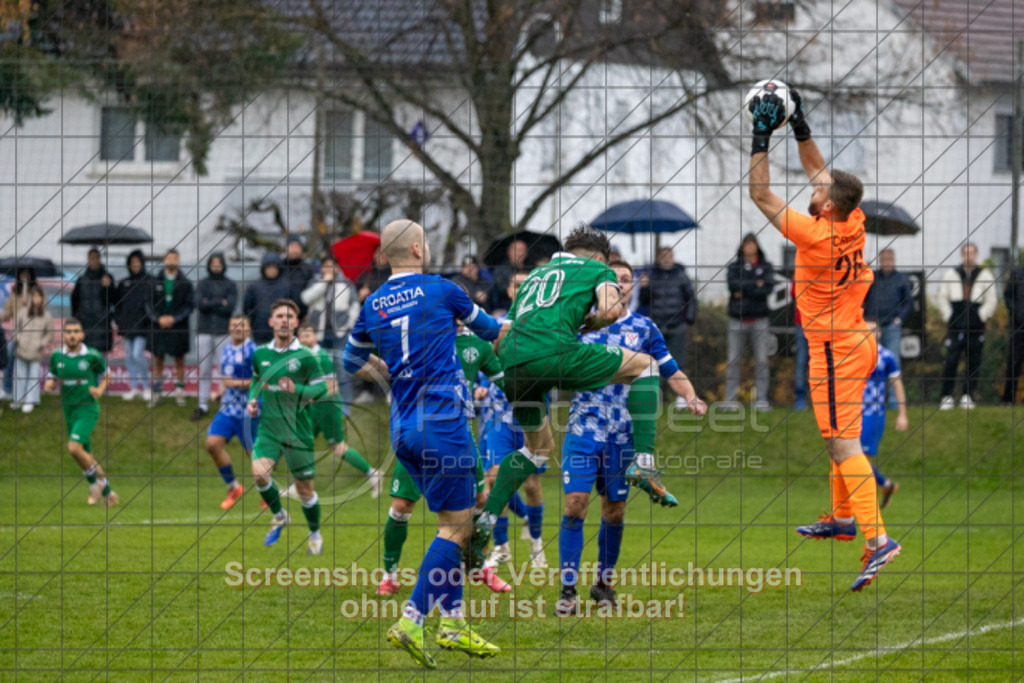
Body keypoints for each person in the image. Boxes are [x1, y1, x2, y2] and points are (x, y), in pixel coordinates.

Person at [475, 225, 709, 567]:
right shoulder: (597, 269)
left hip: (511, 363)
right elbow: (611, 311)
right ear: (601, 258)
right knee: (645, 367)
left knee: (537, 449)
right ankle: (643, 462)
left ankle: (487, 518)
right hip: (552, 353)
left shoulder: (537, 276)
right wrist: (591, 324)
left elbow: (501, 333)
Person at [747, 83, 901, 591]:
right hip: (854, 341)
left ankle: (878, 540)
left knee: (842, 443)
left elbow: (759, 194)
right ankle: (841, 517)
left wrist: (760, 134)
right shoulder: (853, 218)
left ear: (828, 208)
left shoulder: (817, 232)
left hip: (836, 349)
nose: (812, 190)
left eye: (817, 194)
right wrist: (800, 122)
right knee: (839, 440)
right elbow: (822, 173)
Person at [344, 219, 503, 667]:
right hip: (444, 423)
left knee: (456, 521)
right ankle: (412, 619)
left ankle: (453, 623)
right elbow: (491, 332)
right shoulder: (443, 289)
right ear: (417, 248)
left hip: (404, 428)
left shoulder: (373, 303)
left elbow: (350, 357)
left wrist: (387, 370)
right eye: (427, 243)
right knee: (456, 529)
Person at [557, 260, 705, 616]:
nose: (621, 285)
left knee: (615, 510)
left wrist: (690, 395)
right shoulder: (582, 323)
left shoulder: (644, 328)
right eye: (614, 280)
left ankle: (604, 583)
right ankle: (567, 589)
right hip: (583, 428)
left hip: (623, 435)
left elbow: (669, 368)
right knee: (575, 503)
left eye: (627, 280)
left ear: (633, 286)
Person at [377, 321, 509, 597]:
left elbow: (503, 380)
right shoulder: (419, 341)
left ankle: (478, 565)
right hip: (420, 431)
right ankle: (389, 575)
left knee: (480, 500)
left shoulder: (478, 346)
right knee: (402, 505)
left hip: (460, 434)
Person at [247, 299, 331, 555]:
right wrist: (252, 398)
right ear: (271, 322)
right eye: (280, 315)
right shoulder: (260, 353)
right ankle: (280, 514)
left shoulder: (305, 357)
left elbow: (322, 390)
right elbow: (256, 379)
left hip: (298, 431)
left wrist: (298, 389)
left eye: (289, 316)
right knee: (259, 474)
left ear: (296, 323)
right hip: (269, 429)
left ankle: (315, 534)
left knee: (305, 491)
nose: (285, 319)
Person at [478, 271, 546, 573]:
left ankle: (536, 542)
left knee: (531, 484)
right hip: (496, 413)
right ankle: (501, 547)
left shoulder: (545, 325)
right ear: (508, 290)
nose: (521, 290)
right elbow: (480, 359)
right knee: (494, 479)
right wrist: (477, 386)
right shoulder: (496, 325)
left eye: (526, 285)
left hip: (529, 411)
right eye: (517, 285)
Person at [295, 322, 382, 496]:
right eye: (301, 336)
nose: (304, 339)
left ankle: (372, 473)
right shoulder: (304, 358)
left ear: (315, 337)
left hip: (327, 408)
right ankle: (300, 484)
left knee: (337, 447)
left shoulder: (320, 357)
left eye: (308, 335)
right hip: (315, 408)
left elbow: (332, 387)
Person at [44, 318, 119, 506]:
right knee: (83, 453)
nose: (72, 335)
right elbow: (52, 377)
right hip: (69, 409)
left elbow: (107, 374)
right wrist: (50, 384)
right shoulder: (56, 356)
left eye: (76, 331)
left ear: (82, 335)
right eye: (68, 331)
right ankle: (108, 493)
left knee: (74, 447)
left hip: (87, 408)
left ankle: (98, 483)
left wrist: (100, 390)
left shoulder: (91, 356)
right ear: (63, 335)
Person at [204, 315, 258, 510]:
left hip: (248, 411)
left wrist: (233, 383)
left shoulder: (255, 352)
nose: (237, 328)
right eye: (234, 325)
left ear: (249, 329)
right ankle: (233, 487)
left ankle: (267, 493)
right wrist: (220, 392)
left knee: (255, 456)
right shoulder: (226, 349)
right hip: (227, 409)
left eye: (242, 325)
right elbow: (227, 379)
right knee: (212, 444)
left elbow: (261, 381)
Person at [936, 243, 998, 410]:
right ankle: (947, 396)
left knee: (973, 361)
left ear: (976, 255)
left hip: (976, 325)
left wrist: (981, 315)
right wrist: (949, 315)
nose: (968, 256)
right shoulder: (952, 274)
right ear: (961, 255)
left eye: (971, 253)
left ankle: (968, 395)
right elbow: (942, 297)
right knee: (951, 360)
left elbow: (991, 300)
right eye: (965, 253)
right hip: (956, 325)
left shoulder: (985, 275)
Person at [300, 256, 360, 408]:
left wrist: (348, 325)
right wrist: (324, 282)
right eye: (325, 266)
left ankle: (344, 405)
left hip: (339, 333)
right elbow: (306, 299)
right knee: (320, 369)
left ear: (337, 268)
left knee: (342, 369)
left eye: (331, 266)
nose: (328, 269)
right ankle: (322, 403)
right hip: (318, 334)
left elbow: (354, 305)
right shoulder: (316, 282)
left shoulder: (346, 283)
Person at [860, 322, 908, 511]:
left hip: (874, 414)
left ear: (879, 334)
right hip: (854, 412)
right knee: (851, 457)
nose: (869, 334)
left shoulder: (886, 357)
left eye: (872, 331)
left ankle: (867, 498)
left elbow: (897, 384)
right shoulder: (856, 355)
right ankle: (884, 485)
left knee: (859, 457)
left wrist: (902, 414)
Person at [725, 233, 776, 410]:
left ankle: (761, 400)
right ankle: (730, 401)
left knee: (761, 361)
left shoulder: (766, 266)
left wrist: (745, 289)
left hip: (760, 320)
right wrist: (755, 284)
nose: (749, 247)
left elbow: (767, 289)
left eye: (752, 244)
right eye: (746, 244)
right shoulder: (734, 267)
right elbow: (733, 286)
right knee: (733, 361)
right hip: (737, 320)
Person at [147, 249, 194, 407]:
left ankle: (179, 392)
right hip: (159, 326)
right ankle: (157, 393)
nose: (172, 261)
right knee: (158, 359)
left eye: (175, 258)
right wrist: (157, 318)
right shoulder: (154, 281)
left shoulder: (185, 283)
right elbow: (148, 304)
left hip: (178, 327)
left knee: (179, 360)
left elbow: (189, 306)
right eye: (169, 258)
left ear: (178, 260)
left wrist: (175, 318)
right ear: (165, 260)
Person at [193, 253, 237, 421]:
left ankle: (224, 405)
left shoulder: (230, 284)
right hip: (203, 332)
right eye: (213, 263)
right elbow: (200, 305)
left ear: (224, 265)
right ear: (209, 265)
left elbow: (230, 308)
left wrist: (209, 302)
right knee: (204, 370)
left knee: (223, 371)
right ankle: (202, 405)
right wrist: (219, 301)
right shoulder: (203, 283)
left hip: (223, 333)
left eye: (219, 263)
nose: (216, 266)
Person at [638, 246, 696, 374]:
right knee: (655, 364)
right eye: (663, 256)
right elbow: (643, 301)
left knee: (678, 364)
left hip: (677, 326)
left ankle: (679, 394)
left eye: (669, 256)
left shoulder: (681, 275)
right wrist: (644, 287)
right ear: (658, 258)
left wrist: (689, 319)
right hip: (657, 327)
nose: (667, 259)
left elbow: (691, 298)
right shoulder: (651, 276)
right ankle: (658, 392)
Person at [114, 250, 152, 401]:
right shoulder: (124, 283)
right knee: (129, 356)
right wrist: (119, 320)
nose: (135, 265)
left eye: (138, 262)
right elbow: (117, 305)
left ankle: (147, 387)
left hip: (142, 327)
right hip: (127, 327)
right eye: (132, 262)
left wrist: (148, 321)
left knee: (138, 354)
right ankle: (134, 387)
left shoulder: (149, 281)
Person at [863, 248, 913, 364]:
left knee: (893, 360)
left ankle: (893, 383)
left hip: (892, 325)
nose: (887, 261)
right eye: (884, 259)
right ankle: (874, 383)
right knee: (872, 360)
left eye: (890, 259)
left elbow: (908, 302)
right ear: (880, 260)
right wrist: (864, 272)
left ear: (894, 260)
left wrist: (899, 318)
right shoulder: (871, 276)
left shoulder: (902, 278)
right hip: (873, 325)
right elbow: (861, 295)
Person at [10, 285, 53, 413]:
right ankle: (18, 399)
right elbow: (15, 328)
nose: (36, 299)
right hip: (21, 349)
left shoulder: (47, 316)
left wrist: (41, 342)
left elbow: (49, 333)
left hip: (36, 351)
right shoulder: (22, 312)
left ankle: (30, 401)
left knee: (33, 376)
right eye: (34, 296)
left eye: (39, 296)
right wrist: (19, 339)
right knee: (19, 375)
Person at [1, 267, 37, 401]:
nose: (25, 277)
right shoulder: (15, 292)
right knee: (9, 358)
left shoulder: (36, 292)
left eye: (27, 274)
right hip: (16, 333)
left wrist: (29, 304)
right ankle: (7, 389)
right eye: (22, 274)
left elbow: (42, 311)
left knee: (30, 363)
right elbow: (7, 312)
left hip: (32, 334)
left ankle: (29, 393)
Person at [71, 248, 115, 355]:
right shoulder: (82, 280)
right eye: (91, 258)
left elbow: (113, 299)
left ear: (100, 259)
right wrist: (77, 316)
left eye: (95, 258)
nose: (93, 261)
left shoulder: (107, 278)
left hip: (102, 326)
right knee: (85, 360)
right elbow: (74, 299)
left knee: (100, 362)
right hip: (85, 325)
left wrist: (108, 288)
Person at [244, 253, 291, 345]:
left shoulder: (286, 286)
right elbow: (247, 308)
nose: (271, 270)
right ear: (264, 269)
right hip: (259, 329)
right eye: (269, 267)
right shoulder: (254, 286)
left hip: (281, 328)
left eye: (274, 267)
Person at [1002, 260, 1024, 403]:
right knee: (1013, 363)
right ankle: (1008, 399)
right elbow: (1007, 296)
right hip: (1018, 327)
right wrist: (1016, 312)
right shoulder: (1017, 273)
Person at [281, 234, 316, 318]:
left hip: (302, 316)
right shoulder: (279, 267)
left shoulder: (308, 269)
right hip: (281, 315)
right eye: (292, 246)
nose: (295, 250)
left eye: (298, 247)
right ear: (286, 248)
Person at [492, 239, 529, 312]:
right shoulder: (500, 269)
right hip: (505, 309)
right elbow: (500, 288)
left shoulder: (530, 269)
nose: (518, 253)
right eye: (515, 250)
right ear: (509, 252)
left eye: (521, 250)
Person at [793, 282, 810, 411]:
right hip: (802, 323)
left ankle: (822, 399)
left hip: (824, 324)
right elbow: (795, 292)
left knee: (824, 363)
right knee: (801, 361)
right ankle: (800, 398)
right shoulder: (802, 268)